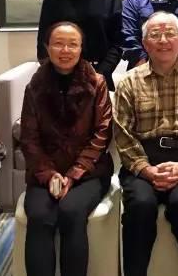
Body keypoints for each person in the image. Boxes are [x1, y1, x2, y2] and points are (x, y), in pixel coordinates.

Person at [114, 11, 178, 276]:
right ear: (145, 43)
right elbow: (123, 135)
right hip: (142, 161)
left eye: (170, 34)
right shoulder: (129, 81)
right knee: (141, 206)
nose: (163, 40)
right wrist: (146, 169)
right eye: (155, 35)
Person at [20, 21, 114, 276]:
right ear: (47, 47)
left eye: (73, 44)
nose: (65, 50)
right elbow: (29, 138)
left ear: (81, 49)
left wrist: (73, 174)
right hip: (44, 173)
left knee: (71, 212)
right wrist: (49, 174)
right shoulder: (35, 86)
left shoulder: (96, 83)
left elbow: (103, 133)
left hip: (89, 172)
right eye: (58, 44)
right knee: (40, 216)